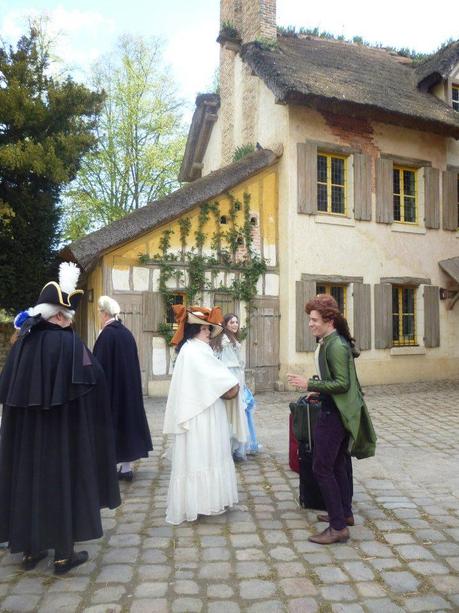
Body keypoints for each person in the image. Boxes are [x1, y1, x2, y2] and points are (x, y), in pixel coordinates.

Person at [0, 263, 121, 573]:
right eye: (68, 317)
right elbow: (95, 378)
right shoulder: (70, 344)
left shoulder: (21, 345)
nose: (70, 322)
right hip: (62, 435)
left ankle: (30, 551)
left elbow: (7, 389)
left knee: (29, 484)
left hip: (27, 439)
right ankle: (64, 555)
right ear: (57, 316)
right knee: (63, 485)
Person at [288, 294, 376, 545]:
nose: (310, 324)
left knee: (321, 467)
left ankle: (338, 527)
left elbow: (342, 383)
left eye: (314, 319)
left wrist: (310, 383)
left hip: (334, 413)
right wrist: (318, 389)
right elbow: (340, 382)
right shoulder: (329, 340)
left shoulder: (335, 344)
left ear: (329, 320)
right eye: (310, 319)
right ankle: (344, 514)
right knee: (338, 465)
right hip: (335, 408)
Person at [163, 305, 240, 524]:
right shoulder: (196, 351)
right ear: (196, 330)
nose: (209, 333)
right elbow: (220, 378)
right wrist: (232, 383)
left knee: (203, 454)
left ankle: (204, 500)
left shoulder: (192, 349)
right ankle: (203, 502)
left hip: (202, 408)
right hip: (201, 413)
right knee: (203, 453)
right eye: (206, 329)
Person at [93, 295, 153, 481]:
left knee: (109, 426)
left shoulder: (106, 334)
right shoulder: (126, 333)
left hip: (111, 390)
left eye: (99, 313)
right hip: (128, 389)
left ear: (104, 314)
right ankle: (126, 468)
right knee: (126, 425)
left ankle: (109, 467)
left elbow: (98, 365)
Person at [212, 313, 260, 460]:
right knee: (231, 414)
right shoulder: (225, 341)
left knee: (238, 414)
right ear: (225, 324)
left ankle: (235, 445)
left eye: (236, 322)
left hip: (236, 379)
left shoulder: (232, 339)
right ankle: (229, 447)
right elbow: (224, 364)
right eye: (231, 322)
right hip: (231, 381)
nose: (235, 324)